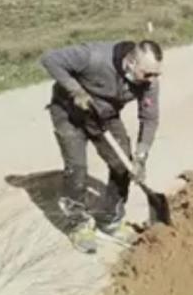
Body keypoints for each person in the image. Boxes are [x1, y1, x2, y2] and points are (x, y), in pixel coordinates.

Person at [40, 39, 163, 252]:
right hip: (68, 114)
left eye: (156, 74)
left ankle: (110, 220)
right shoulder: (94, 57)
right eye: (148, 73)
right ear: (132, 63)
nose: (152, 79)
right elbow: (50, 59)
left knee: (122, 166)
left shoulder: (149, 83)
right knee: (77, 168)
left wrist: (141, 157)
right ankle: (78, 225)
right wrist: (76, 91)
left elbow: (149, 119)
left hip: (104, 116)